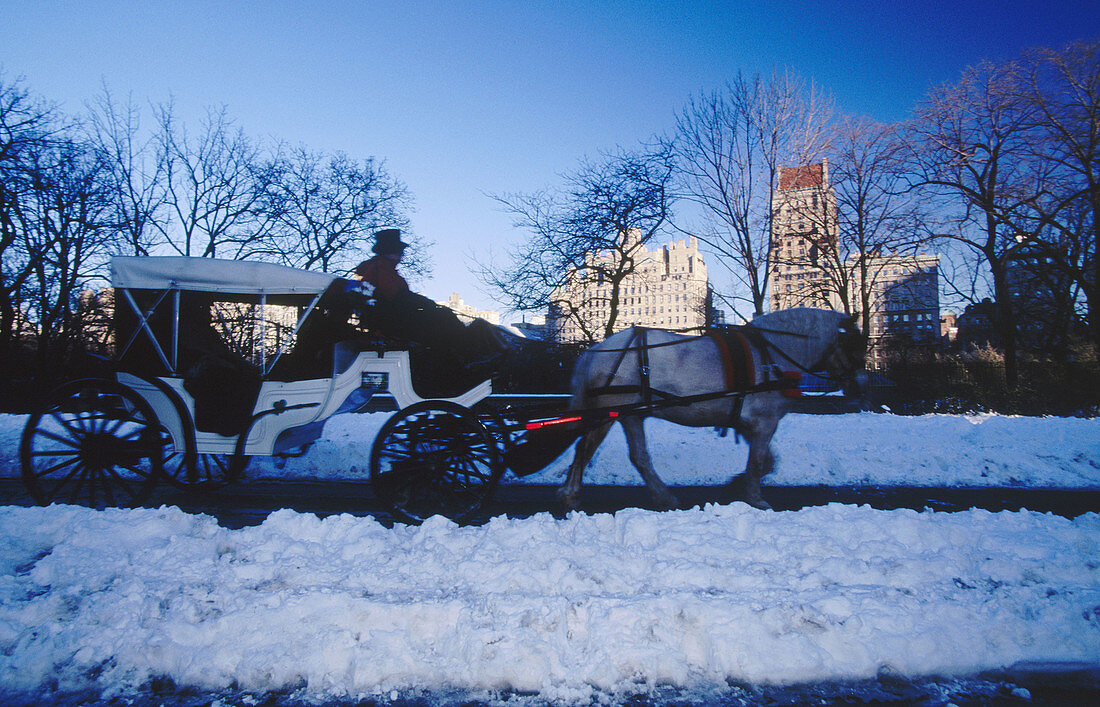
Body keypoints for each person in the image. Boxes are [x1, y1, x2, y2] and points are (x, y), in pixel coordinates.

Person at [348, 228, 504, 367]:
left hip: (391, 319)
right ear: (391, 252)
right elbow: (399, 298)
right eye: (398, 251)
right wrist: (430, 305)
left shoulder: (379, 268)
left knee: (443, 316)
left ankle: (461, 356)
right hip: (392, 322)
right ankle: (466, 357)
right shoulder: (381, 269)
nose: (401, 256)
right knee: (443, 319)